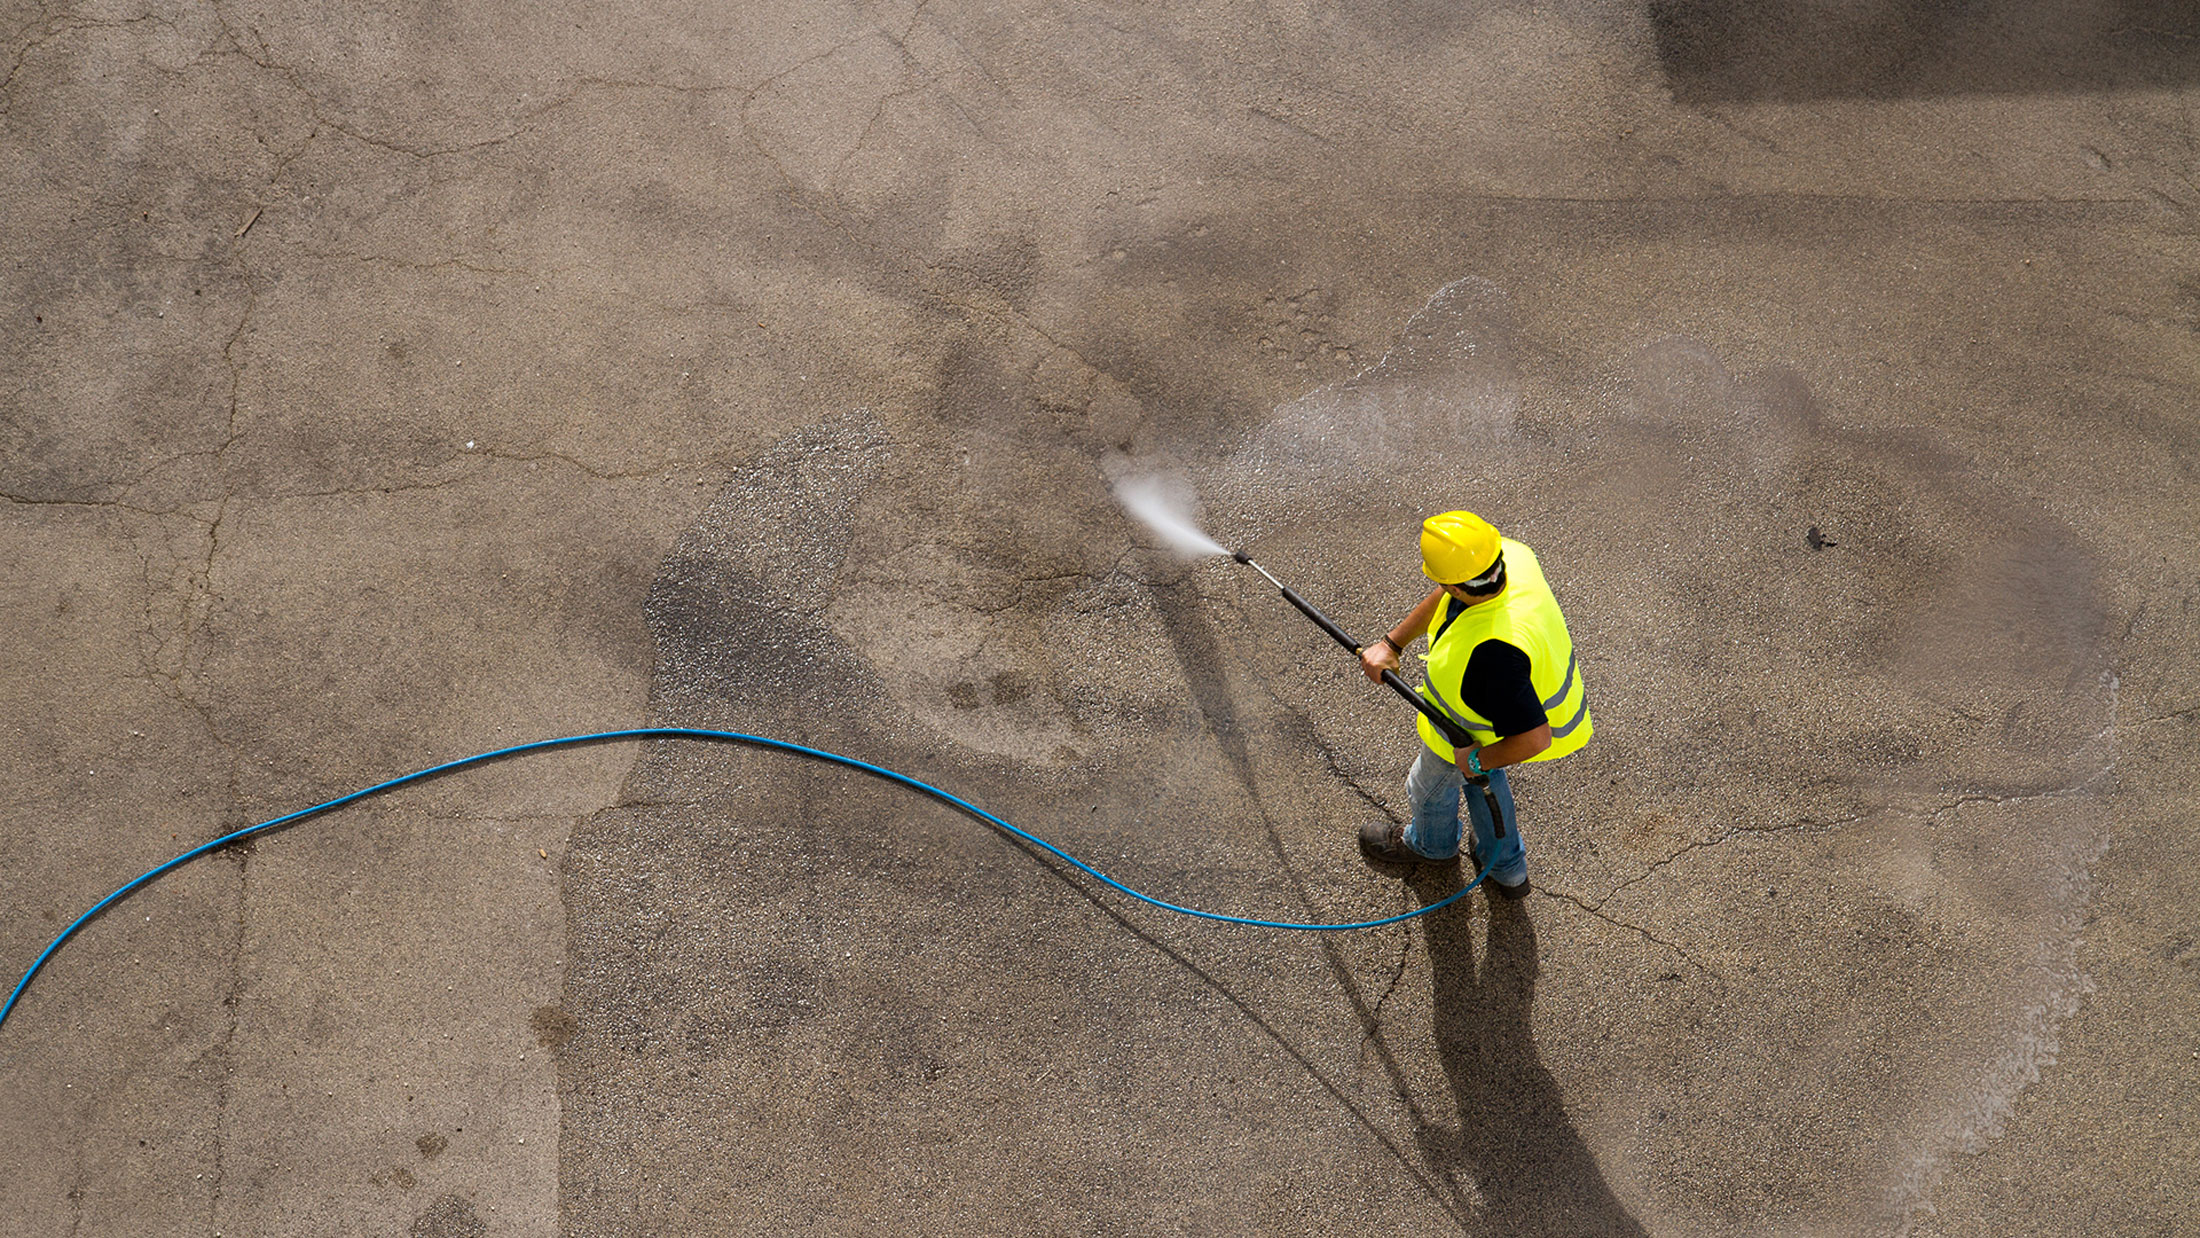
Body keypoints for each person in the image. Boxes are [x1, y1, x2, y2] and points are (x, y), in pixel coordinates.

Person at [1356, 510, 1593, 897]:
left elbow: (1534, 739)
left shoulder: (1494, 656)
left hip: (1470, 732)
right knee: (1483, 784)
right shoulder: (1511, 557)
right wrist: (1392, 642)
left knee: (1430, 785)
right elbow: (1447, 596)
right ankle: (1508, 870)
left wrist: (1478, 759)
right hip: (1492, 720)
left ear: (1455, 584)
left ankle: (1430, 846)